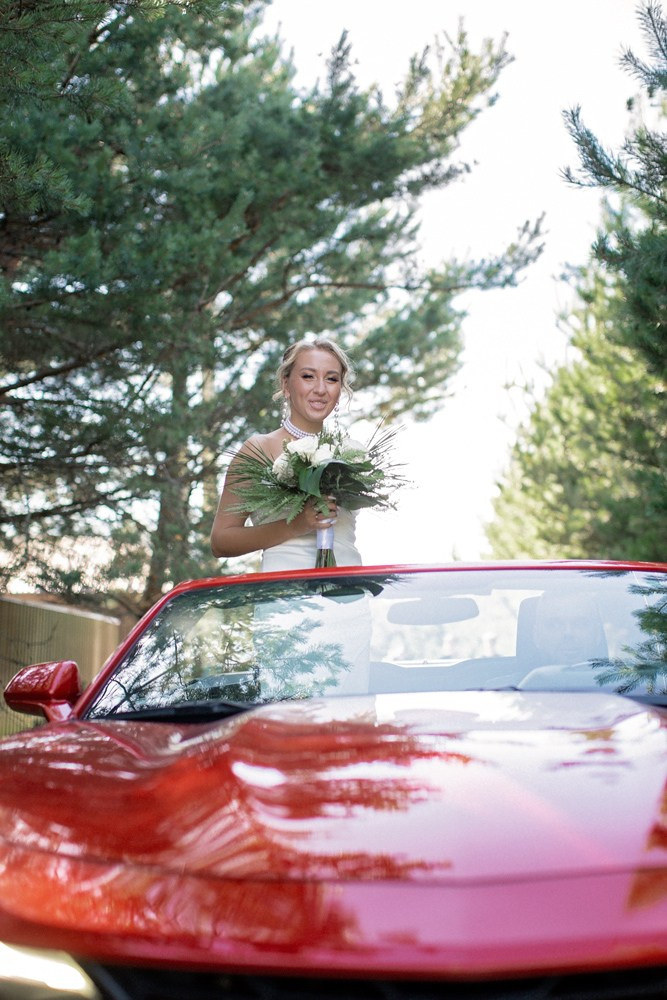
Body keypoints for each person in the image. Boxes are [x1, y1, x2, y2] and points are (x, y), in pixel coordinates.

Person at [210, 337, 362, 571]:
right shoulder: (258, 449)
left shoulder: (351, 454)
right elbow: (221, 542)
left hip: (349, 585)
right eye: (308, 376)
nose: (321, 389)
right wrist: (296, 525)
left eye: (331, 379)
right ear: (286, 384)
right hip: (285, 589)